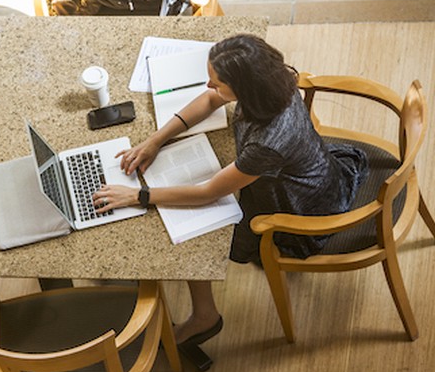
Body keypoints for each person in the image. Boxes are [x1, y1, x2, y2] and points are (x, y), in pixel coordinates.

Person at [92, 34, 367, 347]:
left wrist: (138, 196)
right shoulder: (274, 84)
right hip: (310, 170)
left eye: (217, 82)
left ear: (246, 89)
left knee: (195, 232)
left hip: (299, 205)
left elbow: (208, 192)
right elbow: (210, 100)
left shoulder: (267, 143)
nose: (209, 87)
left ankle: (204, 316)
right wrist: (156, 140)